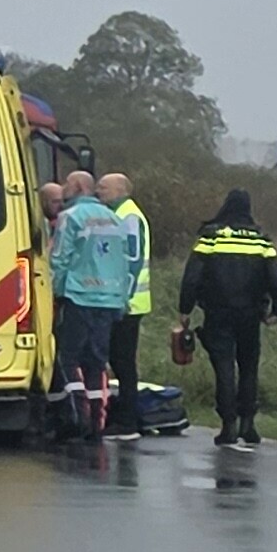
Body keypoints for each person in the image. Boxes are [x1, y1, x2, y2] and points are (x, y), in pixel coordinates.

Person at [172, 188, 277, 449]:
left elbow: (192, 277)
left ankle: (228, 425)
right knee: (248, 366)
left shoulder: (210, 237)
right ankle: (249, 424)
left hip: (218, 312)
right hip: (251, 314)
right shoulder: (260, 240)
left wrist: (185, 309)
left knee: (224, 366)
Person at [45, 176, 143, 439]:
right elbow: (125, 262)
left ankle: (78, 416)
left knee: (68, 358)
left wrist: (52, 294)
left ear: (77, 187)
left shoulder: (71, 216)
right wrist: (122, 299)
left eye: (66, 184)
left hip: (79, 296)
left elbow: (60, 258)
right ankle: (98, 423)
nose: (63, 188)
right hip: (110, 299)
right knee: (97, 362)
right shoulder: (115, 218)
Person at [100, 173, 153, 434]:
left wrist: (123, 297)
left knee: (123, 362)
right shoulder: (120, 213)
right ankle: (123, 415)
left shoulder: (128, 216)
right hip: (126, 300)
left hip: (129, 303)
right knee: (119, 360)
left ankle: (127, 421)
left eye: (104, 187)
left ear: (121, 189)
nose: (99, 191)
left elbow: (132, 257)